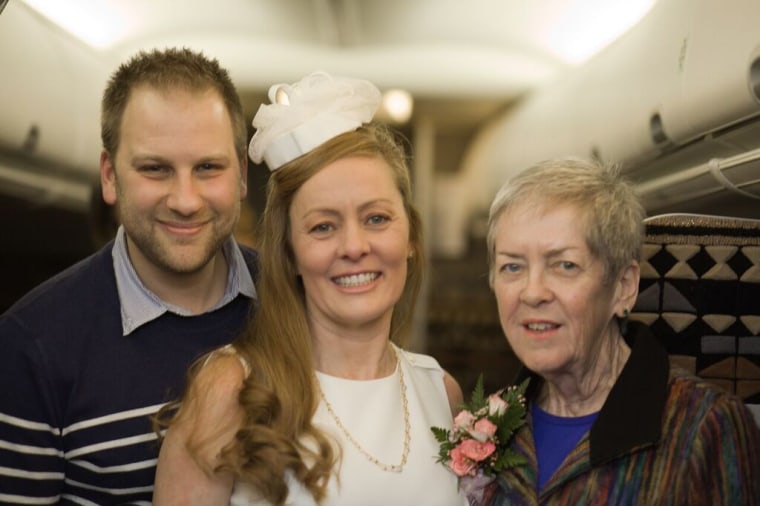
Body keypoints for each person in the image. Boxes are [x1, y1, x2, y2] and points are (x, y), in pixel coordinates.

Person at [152, 71, 466, 506]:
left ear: (411, 237)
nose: (355, 246)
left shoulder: (441, 392)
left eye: (376, 218)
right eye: (323, 226)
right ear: (291, 253)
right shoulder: (232, 390)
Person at [0, 47, 258, 504]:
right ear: (109, 176)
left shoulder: (296, 300)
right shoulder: (29, 347)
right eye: (155, 169)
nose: (185, 199)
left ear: (240, 174)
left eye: (208, 168)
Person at [479, 157, 760, 505]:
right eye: (512, 266)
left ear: (623, 287)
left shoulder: (705, 426)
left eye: (564, 265)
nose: (533, 292)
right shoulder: (488, 428)